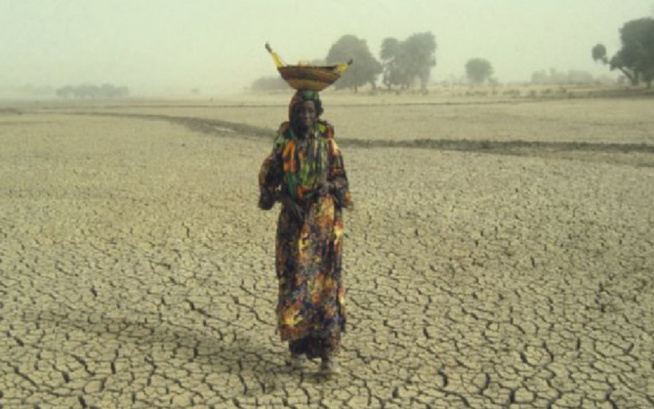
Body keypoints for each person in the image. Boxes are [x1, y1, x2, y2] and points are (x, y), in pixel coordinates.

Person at [258, 89, 353, 374]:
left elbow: (342, 181)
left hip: (323, 226)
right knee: (295, 284)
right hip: (293, 225)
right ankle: (296, 351)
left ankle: (328, 356)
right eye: (301, 111)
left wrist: (329, 187)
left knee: (325, 285)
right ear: (292, 113)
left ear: (317, 113)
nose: (306, 117)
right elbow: (267, 182)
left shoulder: (328, 145)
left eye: (311, 111)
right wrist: (284, 198)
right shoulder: (283, 146)